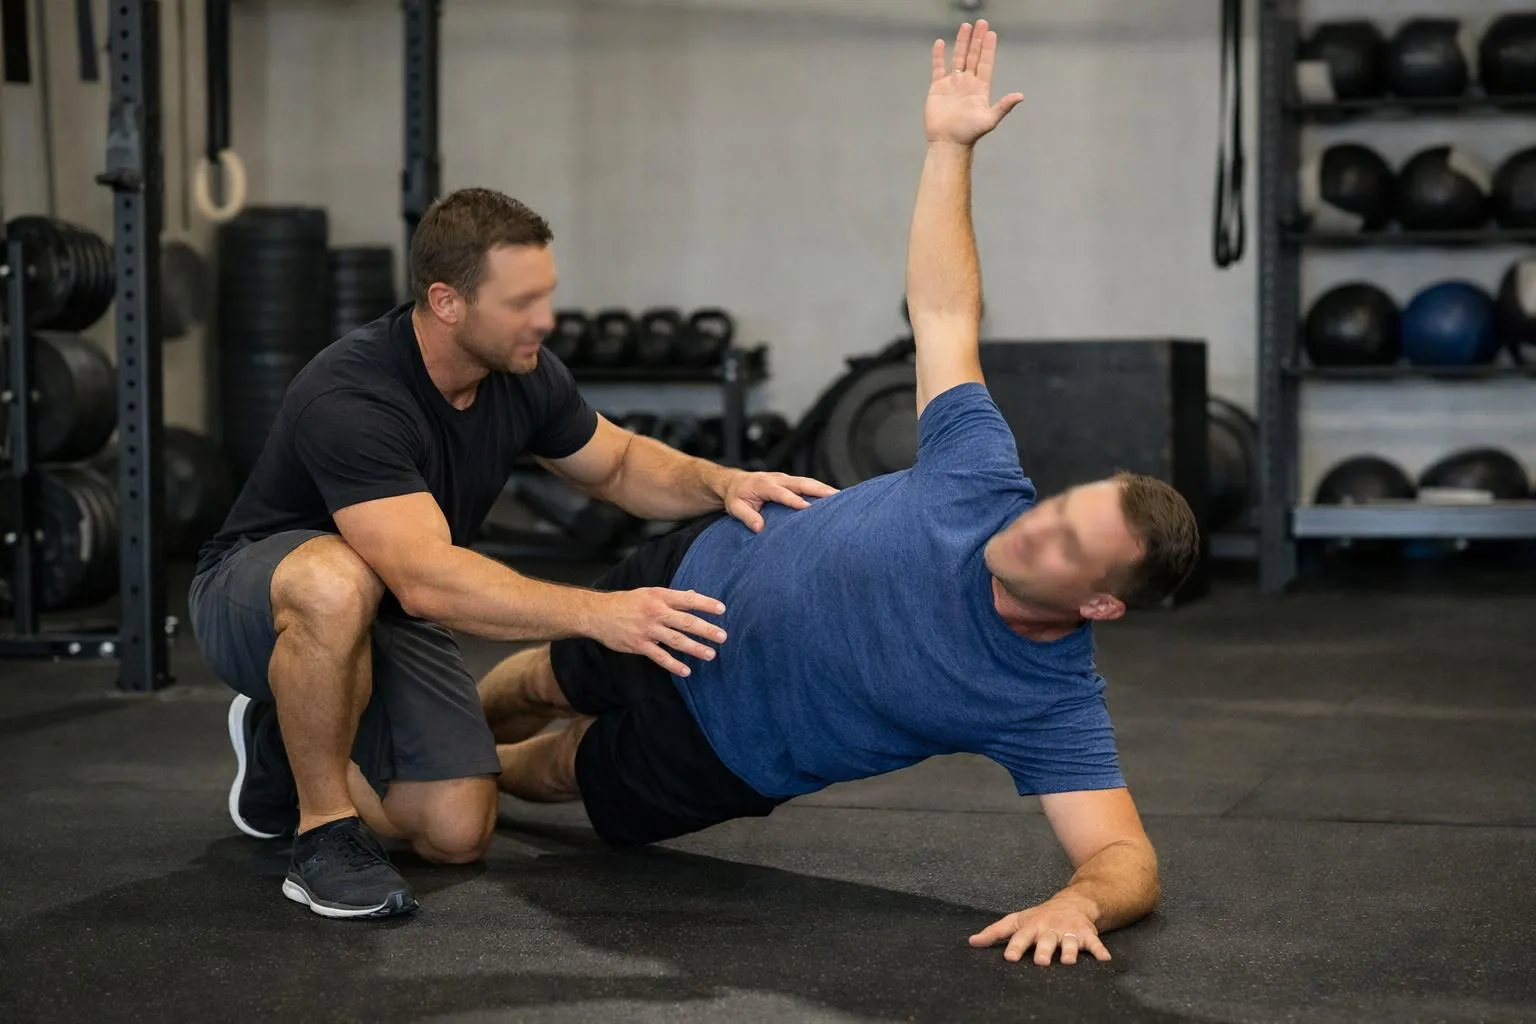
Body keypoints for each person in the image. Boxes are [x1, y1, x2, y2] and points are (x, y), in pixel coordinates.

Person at [478, 21, 1199, 967]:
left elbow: (1122, 856)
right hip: (695, 579)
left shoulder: (1047, 700)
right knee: (542, 676)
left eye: (1066, 546)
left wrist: (1083, 906)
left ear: (1102, 602)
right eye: (1058, 507)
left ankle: (445, 778)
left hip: (722, 750)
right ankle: (426, 736)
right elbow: (944, 311)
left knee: (552, 772)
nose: (1035, 528)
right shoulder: (980, 470)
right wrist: (947, 149)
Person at [188, 188, 835, 919]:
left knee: (457, 833)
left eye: (547, 295)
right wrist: (599, 614)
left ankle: (283, 742)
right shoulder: (352, 393)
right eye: (521, 301)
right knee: (335, 582)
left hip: (388, 610)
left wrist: (724, 482)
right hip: (264, 589)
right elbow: (426, 579)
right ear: (447, 301)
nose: (545, 320)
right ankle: (323, 834)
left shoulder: (521, 374)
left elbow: (618, 464)